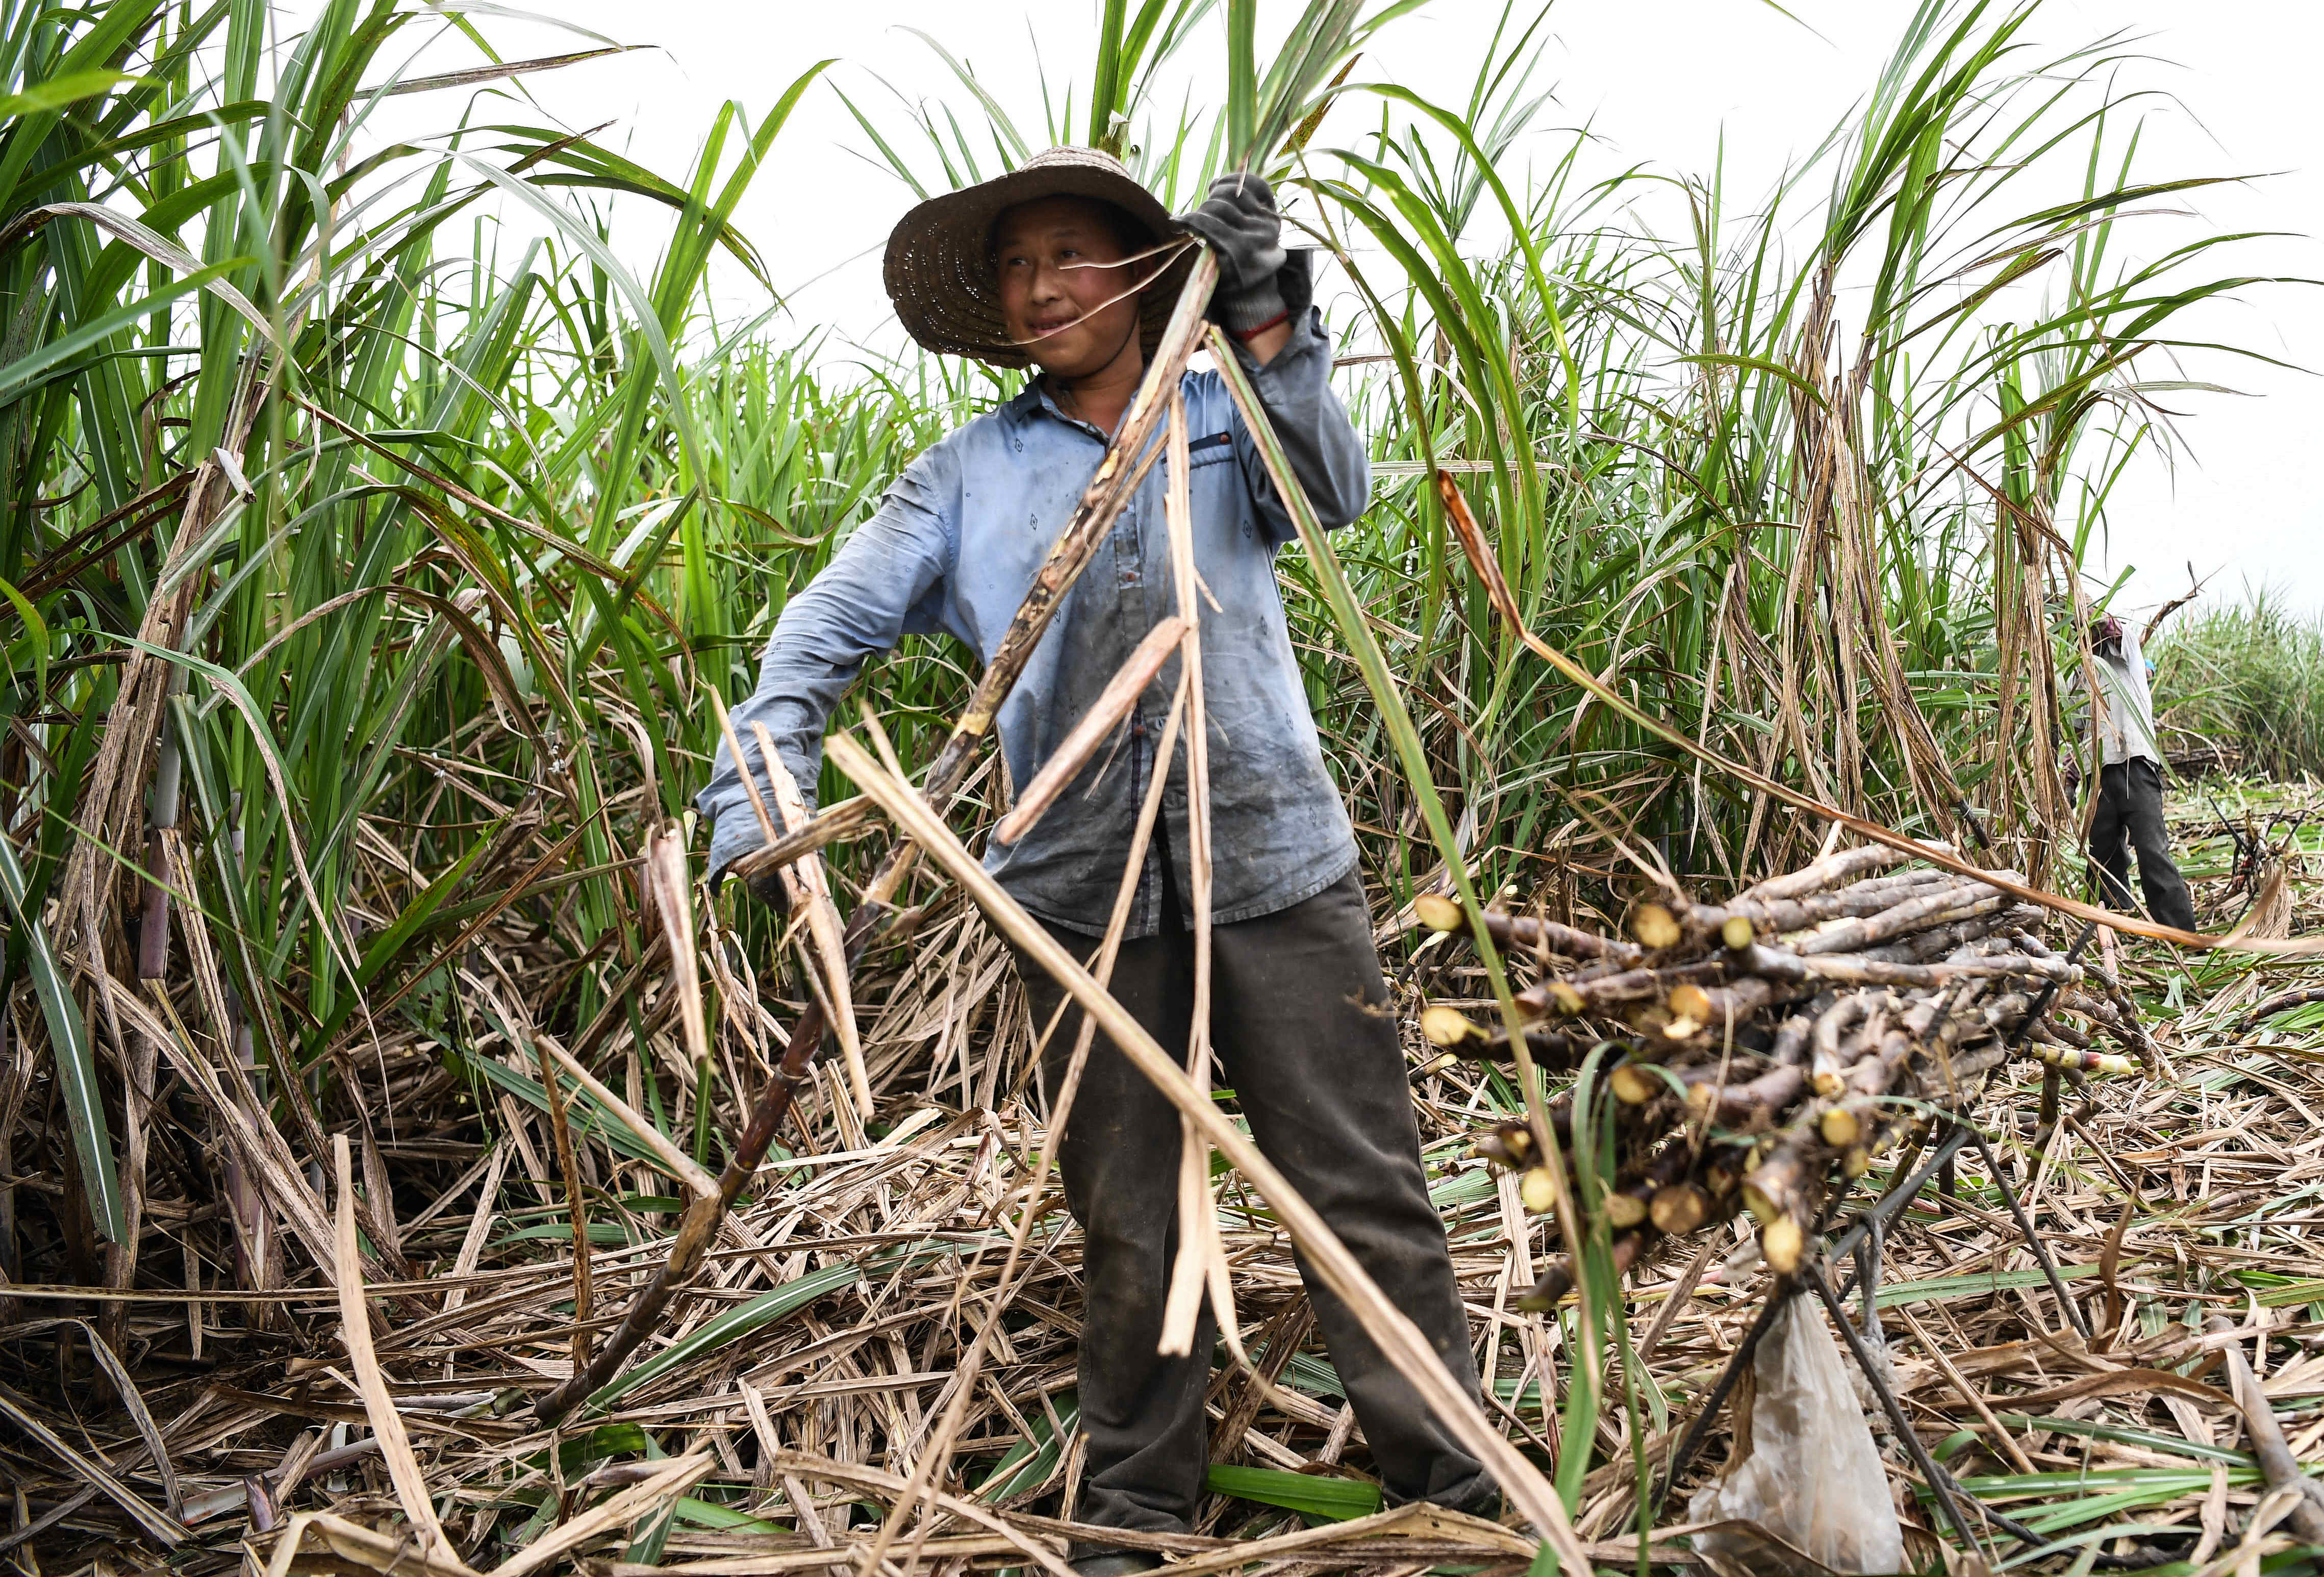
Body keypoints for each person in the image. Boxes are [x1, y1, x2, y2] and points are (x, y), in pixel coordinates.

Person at [698, 147, 1494, 1575]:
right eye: (1014, 267)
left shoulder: (1223, 415)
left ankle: (1453, 1478)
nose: (1040, 285)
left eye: (1068, 253)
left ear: (1137, 270)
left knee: (1358, 1184)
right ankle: (1133, 1508)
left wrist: (1262, 312)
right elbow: (816, 638)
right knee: (1130, 1216)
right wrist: (761, 792)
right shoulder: (967, 473)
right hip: (1075, 890)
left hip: (1272, 862)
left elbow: (1332, 492)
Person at [2068, 613, 2196, 932]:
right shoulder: (2079, 676)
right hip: (2098, 776)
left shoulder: (2125, 653)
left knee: (2152, 852)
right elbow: (2077, 735)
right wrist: (2069, 782)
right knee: (2104, 859)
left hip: (2136, 767)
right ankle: (2115, 929)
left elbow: (2109, 625)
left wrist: (2077, 605)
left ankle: (2181, 935)